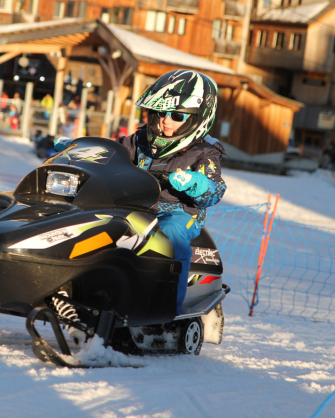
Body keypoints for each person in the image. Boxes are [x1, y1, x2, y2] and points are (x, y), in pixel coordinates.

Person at [55, 70, 227, 315]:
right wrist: (80, 149)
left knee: (171, 235)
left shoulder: (205, 152)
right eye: (159, 113)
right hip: (135, 206)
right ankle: (78, 285)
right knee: (92, 222)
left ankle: (167, 307)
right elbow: (112, 152)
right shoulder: (140, 140)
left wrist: (196, 183)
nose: (165, 121)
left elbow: (215, 190)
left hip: (178, 213)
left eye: (176, 115)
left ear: (198, 119)